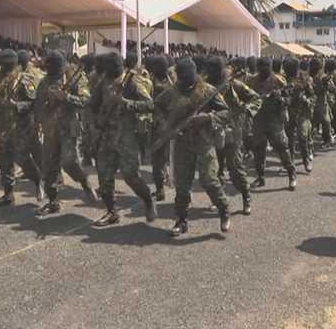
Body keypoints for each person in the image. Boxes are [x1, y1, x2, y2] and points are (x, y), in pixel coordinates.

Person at [155, 57, 232, 235]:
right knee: (182, 185)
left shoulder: (207, 90)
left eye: (188, 78)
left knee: (209, 180)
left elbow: (226, 113)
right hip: (182, 142)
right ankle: (181, 220)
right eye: (182, 78)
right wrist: (166, 124)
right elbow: (157, 106)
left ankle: (224, 210)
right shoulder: (171, 92)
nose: (185, 82)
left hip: (204, 141)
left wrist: (209, 117)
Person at [89, 52, 156, 227]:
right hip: (106, 134)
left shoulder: (132, 82)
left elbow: (150, 105)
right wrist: (96, 121)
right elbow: (93, 104)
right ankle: (111, 212)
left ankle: (148, 201)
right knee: (104, 176)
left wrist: (127, 103)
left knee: (130, 176)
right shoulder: (103, 81)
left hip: (126, 136)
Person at [34, 50, 99, 216]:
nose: (48, 70)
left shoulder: (74, 77)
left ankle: (84, 181)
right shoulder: (44, 82)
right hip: (50, 129)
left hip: (68, 128)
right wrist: (39, 119)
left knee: (69, 162)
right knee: (49, 166)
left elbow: (86, 100)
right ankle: (53, 201)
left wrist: (67, 97)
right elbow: (38, 104)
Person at [0, 49, 44, 207]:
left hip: (21, 126)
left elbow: (33, 104)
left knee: (22, 159)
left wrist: (16, 105)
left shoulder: (24, 79)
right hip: (2, 126)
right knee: (4, 161)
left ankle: (38, 181)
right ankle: (8, 194)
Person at [205, 55, 259, 215]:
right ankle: (219, 199)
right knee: (215, 168)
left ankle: (246, 195)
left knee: (235, 167)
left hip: (233, 131)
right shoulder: (205, 87)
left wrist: (247, 110)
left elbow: (255, 99)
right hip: (213, 131)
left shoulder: (234, 84)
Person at [247, 57, 297, 190]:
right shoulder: (251, 81)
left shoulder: (279, 80)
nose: (263, 70)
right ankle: (260, 177)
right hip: (258, 120)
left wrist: (279, 98)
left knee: (282, 148)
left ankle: (291, 174)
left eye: (265, 68)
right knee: (258, 150)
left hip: (274, 120)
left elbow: (289, 99)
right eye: (260, 68)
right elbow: (246, 96)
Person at [147, 55, 174, 200]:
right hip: (170, 125)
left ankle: (160, 190)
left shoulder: (154, 85)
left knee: (157, 159)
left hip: (158, 126)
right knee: (164, 157)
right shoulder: (172, 83)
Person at [284, 57, 315, 173]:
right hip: (288, 113)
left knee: (302, 137)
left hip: (302, 112)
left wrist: (307, 100)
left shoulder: (304, 79)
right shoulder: (283, 80)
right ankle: (291, 162)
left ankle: (306, 160)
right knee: (289, 140)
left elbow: (313, 96)